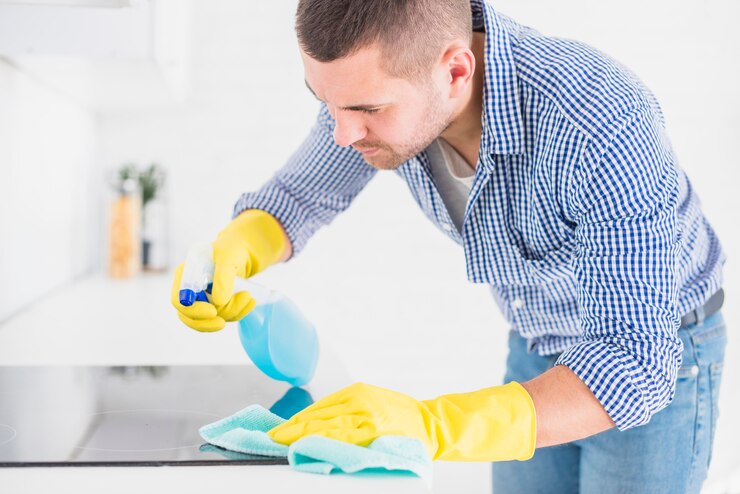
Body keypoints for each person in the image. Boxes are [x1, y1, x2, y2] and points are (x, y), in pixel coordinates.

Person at [170, 1, 726, 492]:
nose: (342, 133)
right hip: (536, 342)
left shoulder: (600, 122)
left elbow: (634, 360)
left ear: (456, 71)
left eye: (365, 111)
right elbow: (299, 195)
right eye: (325, 102)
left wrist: (429, 424)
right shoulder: (380, 88)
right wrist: (234, 249)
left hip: (660, 356)